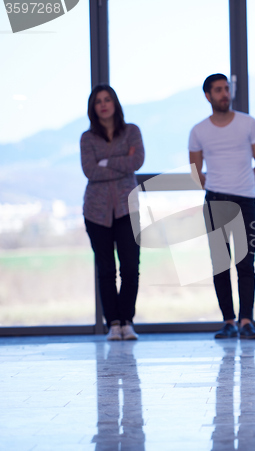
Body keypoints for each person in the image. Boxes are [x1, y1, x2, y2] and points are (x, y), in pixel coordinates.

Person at [189, 73, 255, 339]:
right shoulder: (198, 130)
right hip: (215, 201)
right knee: (220, 264)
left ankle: (247, 321)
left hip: (246, 201)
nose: (224, 94)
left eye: (227, 89)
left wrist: (243, 187)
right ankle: (228, 321)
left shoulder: (249, 124)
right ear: (208, 96)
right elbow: (195, 171)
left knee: (246, 264)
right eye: (218, 90)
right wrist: (217, 191)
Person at [81, 84, 145, 341]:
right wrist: (121, 162)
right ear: (93, 108)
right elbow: (90, 171)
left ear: (115, 103)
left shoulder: (132, 131)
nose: (104, 104)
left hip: (127, 209)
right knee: (106, 269)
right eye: (98, 101)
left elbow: (137, 161)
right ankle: (113, 323)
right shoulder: (87, 138)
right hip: (96, 211)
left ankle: (127, 321)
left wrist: (106, 162)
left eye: (108, 100)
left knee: (130, 267)